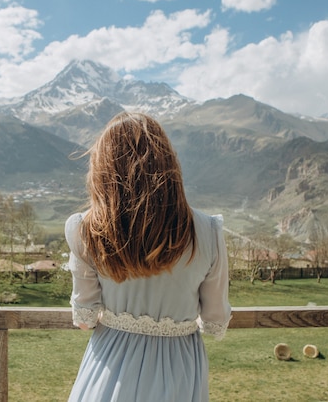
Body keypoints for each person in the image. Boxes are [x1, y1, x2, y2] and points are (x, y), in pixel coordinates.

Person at [66, 111, 232, 402]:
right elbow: (215, 320)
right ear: (169, 165)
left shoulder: (85, 229)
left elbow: (85, 318)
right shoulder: (208, 231)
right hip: (179, 369)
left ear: (102, 170)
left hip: (108, 367)